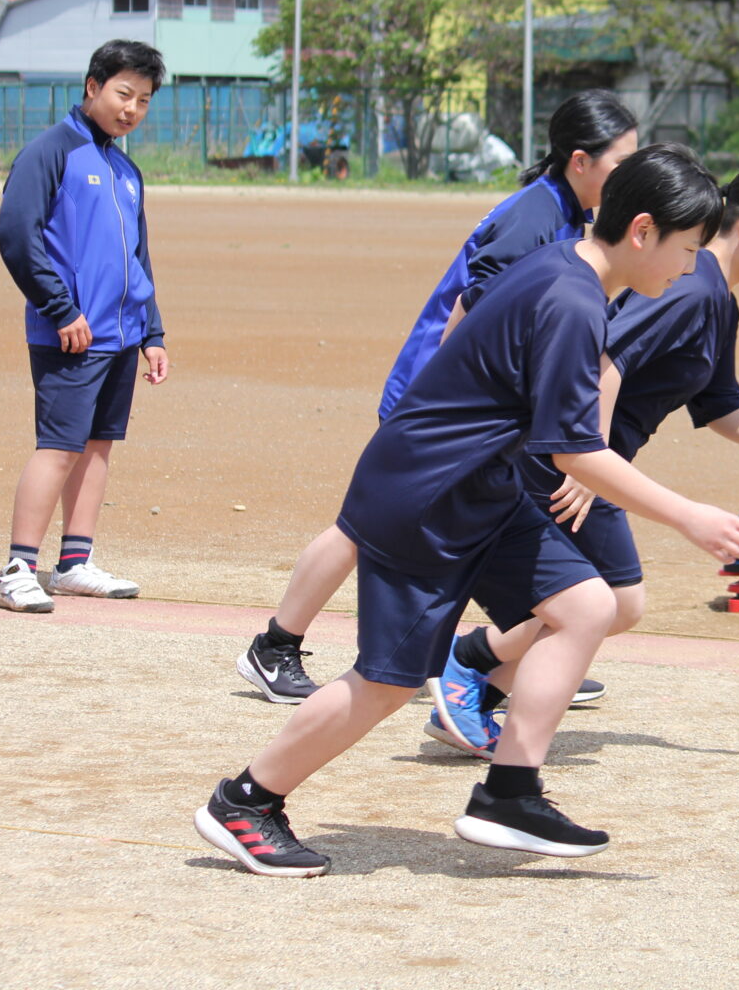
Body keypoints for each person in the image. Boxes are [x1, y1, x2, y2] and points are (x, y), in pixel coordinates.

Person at [194, 145, 739, 877]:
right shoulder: (572, 297)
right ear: (644, 231)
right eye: (686, 250)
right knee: (388, 682)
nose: (689, 268)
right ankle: (245, 801)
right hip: (424, 498)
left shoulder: (569, 274)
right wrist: (689, 516)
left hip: (480, 488)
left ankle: (509, 794)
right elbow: (574, 451)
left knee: (589, 606)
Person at [426, 163, 739, 756]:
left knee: (609, 603)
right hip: (571, 460)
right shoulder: (692, 285)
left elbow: (720, 403)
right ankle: (471, 671)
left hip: (588, 461)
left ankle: (478, 681)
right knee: (610, 603)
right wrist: (588, 460)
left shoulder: (716, 298)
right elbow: (607, 360)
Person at [237, 90, 639, 704]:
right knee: (362, 529)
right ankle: (275, 646)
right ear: (580, 161)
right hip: (437, 404)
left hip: (466, 412)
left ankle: (532, 646)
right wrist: (446, 404)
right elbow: (470, 310)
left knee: (414, 524)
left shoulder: (562, 213)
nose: (629, 175)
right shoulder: (534, 216)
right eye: (622, 161)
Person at [0, 40, 170, 612]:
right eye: (123, 94)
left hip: (120, 336)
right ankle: (19, 565)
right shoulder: (51, 151)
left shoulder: (125, 168)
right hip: (69, 331)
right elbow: (17, 235)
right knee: (59, 447)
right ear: (92, 86)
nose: (131, 109)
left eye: (143, 100)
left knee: (98, 447)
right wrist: (60, 308)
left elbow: (138, 258)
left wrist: (153, 334)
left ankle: (74, 562)